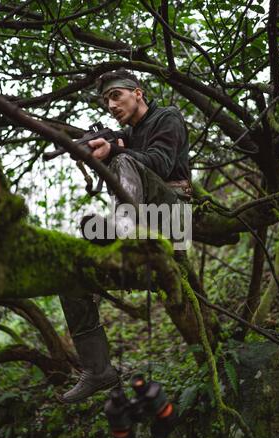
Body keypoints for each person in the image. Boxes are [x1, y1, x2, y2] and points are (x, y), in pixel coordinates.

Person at [60, 68, 190, 403]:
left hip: (172, 222)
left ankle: (126, 236)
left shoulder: (168, 118)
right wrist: (95, 151)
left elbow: (160, 164)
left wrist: (116, 151)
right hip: (141, 226)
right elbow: (119, 157)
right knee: (71, 270)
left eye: (116, 95)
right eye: (105, 100)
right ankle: (98, 368)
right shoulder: (126, 136)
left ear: (138, 92)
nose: (111, 104)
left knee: (124, 163)